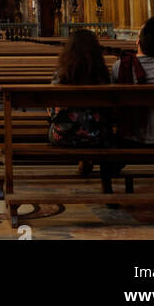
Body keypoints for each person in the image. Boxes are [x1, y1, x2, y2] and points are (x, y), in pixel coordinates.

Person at [110, 17, 154, 193]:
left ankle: (109, 185)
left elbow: (114, 105)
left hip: (131, 138)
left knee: (109, 151)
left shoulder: (120, 67)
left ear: (138, 41)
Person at [49, 30, 114, 190]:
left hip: (65, 135)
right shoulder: (103, 75)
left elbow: (53, 111)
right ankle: (106, 186)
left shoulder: (62, 74)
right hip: (98, 135)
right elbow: (110, 109)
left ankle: (85, 159)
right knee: (101, 128)